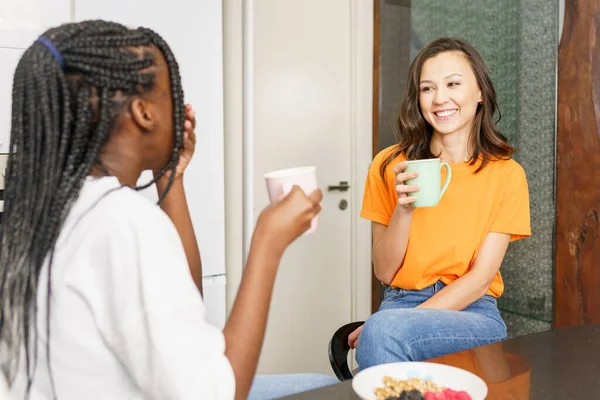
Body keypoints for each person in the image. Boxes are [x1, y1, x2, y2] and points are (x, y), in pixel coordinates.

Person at [0, 20, 337, 399]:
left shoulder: (46, 213)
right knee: (328, 388)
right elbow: (217, 393)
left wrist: (170, 177)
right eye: (173, 93)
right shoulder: (122, 222)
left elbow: (183, 311)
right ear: (144, 112)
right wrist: (267, 242)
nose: (183, 106)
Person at [349, 37, 531, 369]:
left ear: (479, 93)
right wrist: (404, 210)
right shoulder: (389, 165)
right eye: (427, 88)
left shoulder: (507, 174)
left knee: (382, 336)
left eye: (453, 84)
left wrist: (391, 327)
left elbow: (479, 280)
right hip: (399, 302)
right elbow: (385, 272)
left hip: (474, 312)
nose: (440, 99)